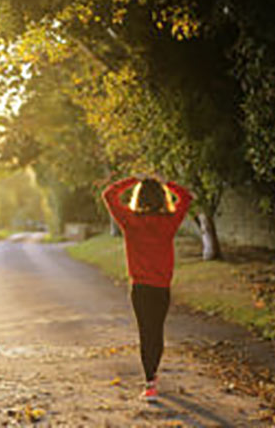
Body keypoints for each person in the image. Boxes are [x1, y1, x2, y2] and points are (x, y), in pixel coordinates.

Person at [102, 172, 193, 401]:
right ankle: (153, 375)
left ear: (139, 197)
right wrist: (167, 182)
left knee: (146, 332)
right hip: (161, 287)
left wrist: (133, 179)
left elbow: (109, 195)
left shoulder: (130, 221)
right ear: (163, 198)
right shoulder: (169, 222)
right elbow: (187, 197)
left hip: (140, 288)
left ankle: (150, 381)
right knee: (157, 331)